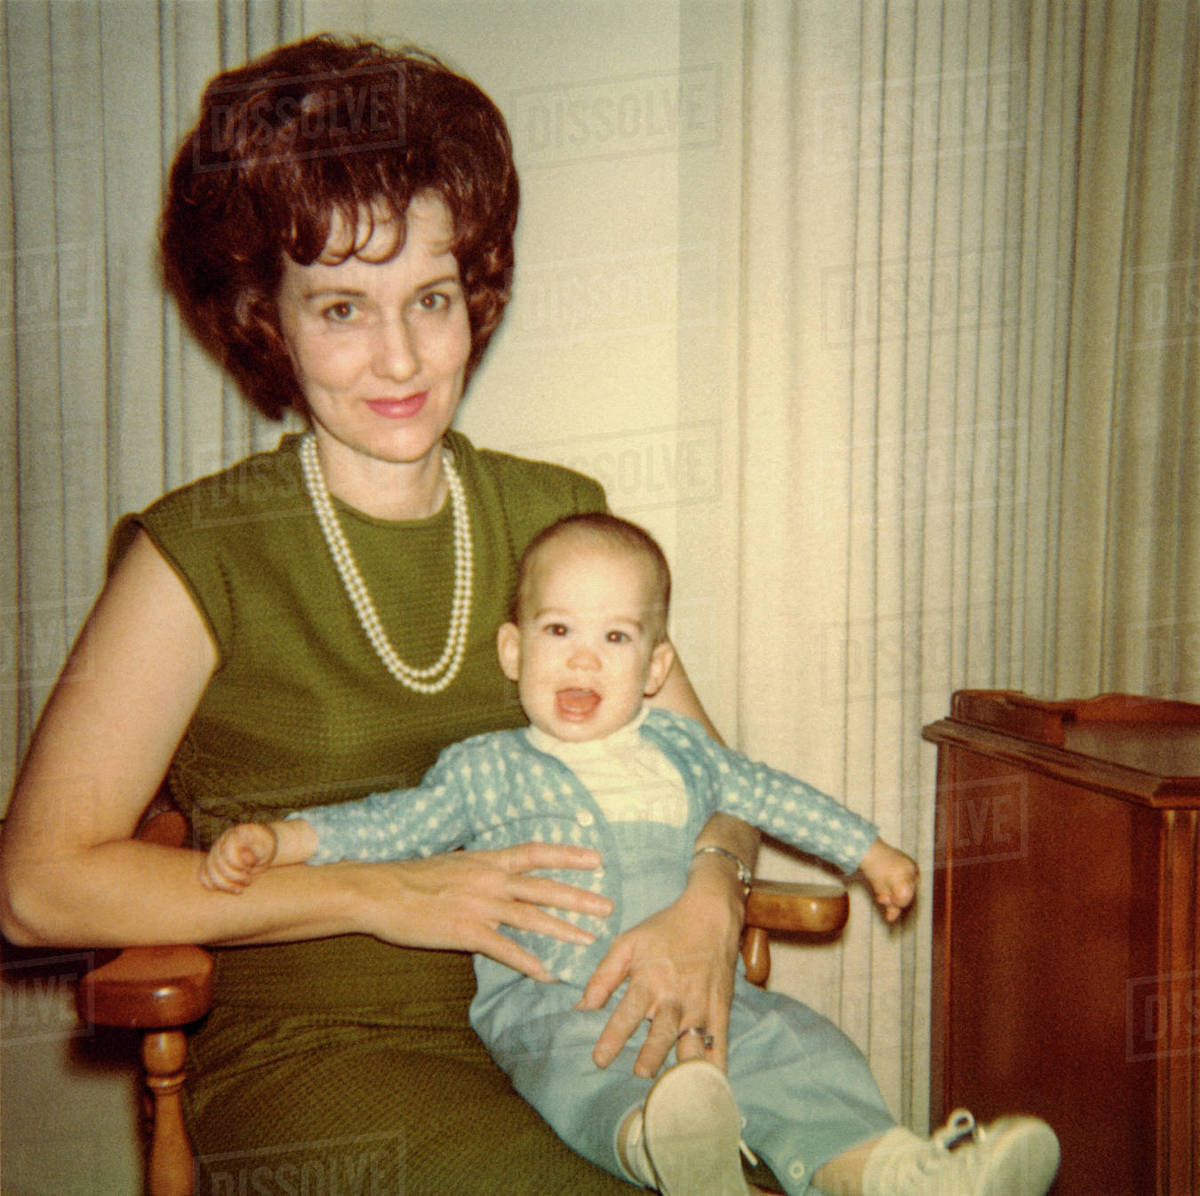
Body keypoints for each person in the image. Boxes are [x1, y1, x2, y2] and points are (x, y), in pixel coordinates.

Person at [0, 35, 765, 1195]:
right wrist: (382, 891)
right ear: (267, 314)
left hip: (575, 1022)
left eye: (433, 298)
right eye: (344, 306)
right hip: (322, 1057)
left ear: (478, 296)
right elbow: (38, 882)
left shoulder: (558, 519)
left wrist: (711, 896)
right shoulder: (197, 551)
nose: (400, 356)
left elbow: (710, 780)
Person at [201, 513, 1061, 1196]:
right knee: (591, 1073)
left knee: (803, 1050)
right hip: (559, 1002)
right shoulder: (489, 768)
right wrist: (287, 838)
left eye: (615, 639)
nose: (583, 654)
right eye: (559, 628)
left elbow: (768, 794)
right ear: (514, 651)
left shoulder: (685, 753)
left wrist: (868, 851)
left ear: (655, 667)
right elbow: (393, 824)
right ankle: (668, 1153)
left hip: (699, 996)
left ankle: (894, 1174)